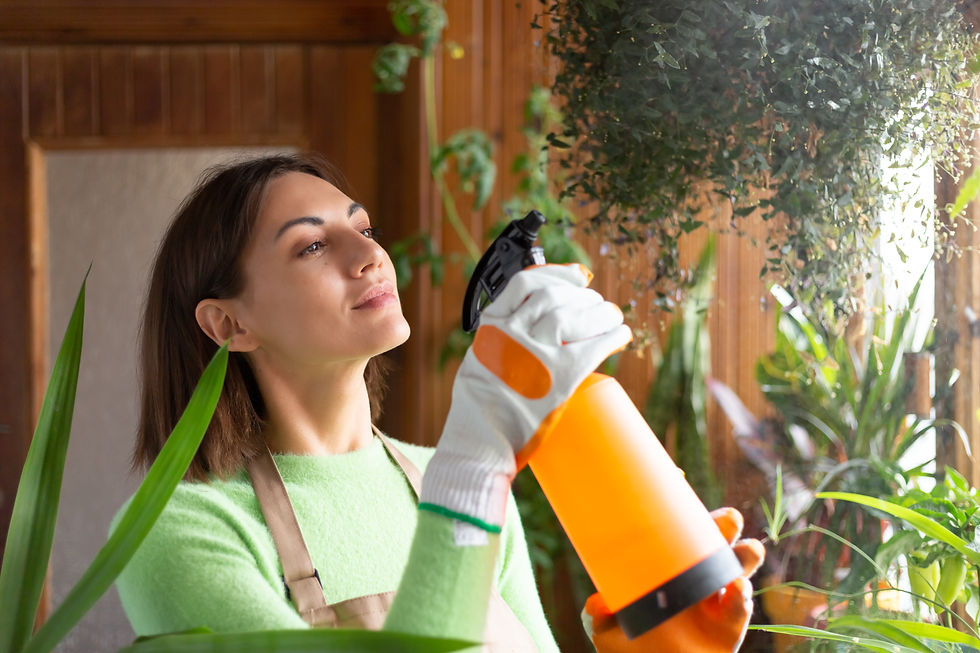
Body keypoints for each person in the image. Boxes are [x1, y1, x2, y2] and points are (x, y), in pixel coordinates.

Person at [112, 152, 762, 651]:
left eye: (364, 228)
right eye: (312, 245)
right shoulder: (177, 527)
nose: (370, 255)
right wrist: (474, 460)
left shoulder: (459, 490)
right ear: (229, 325)